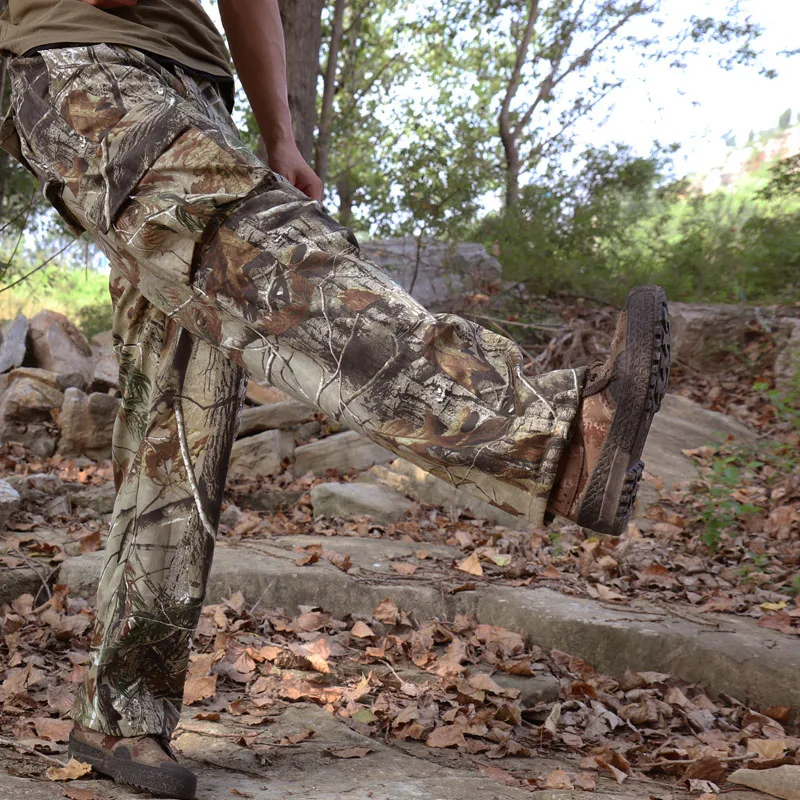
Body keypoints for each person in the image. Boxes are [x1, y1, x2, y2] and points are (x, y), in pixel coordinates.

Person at [0, 1, 670, 797]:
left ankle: (120, 711)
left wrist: (280, 134)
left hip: (195, 83)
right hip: (76, 56)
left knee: (180, 410)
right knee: (269, 260)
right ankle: (550, 437)